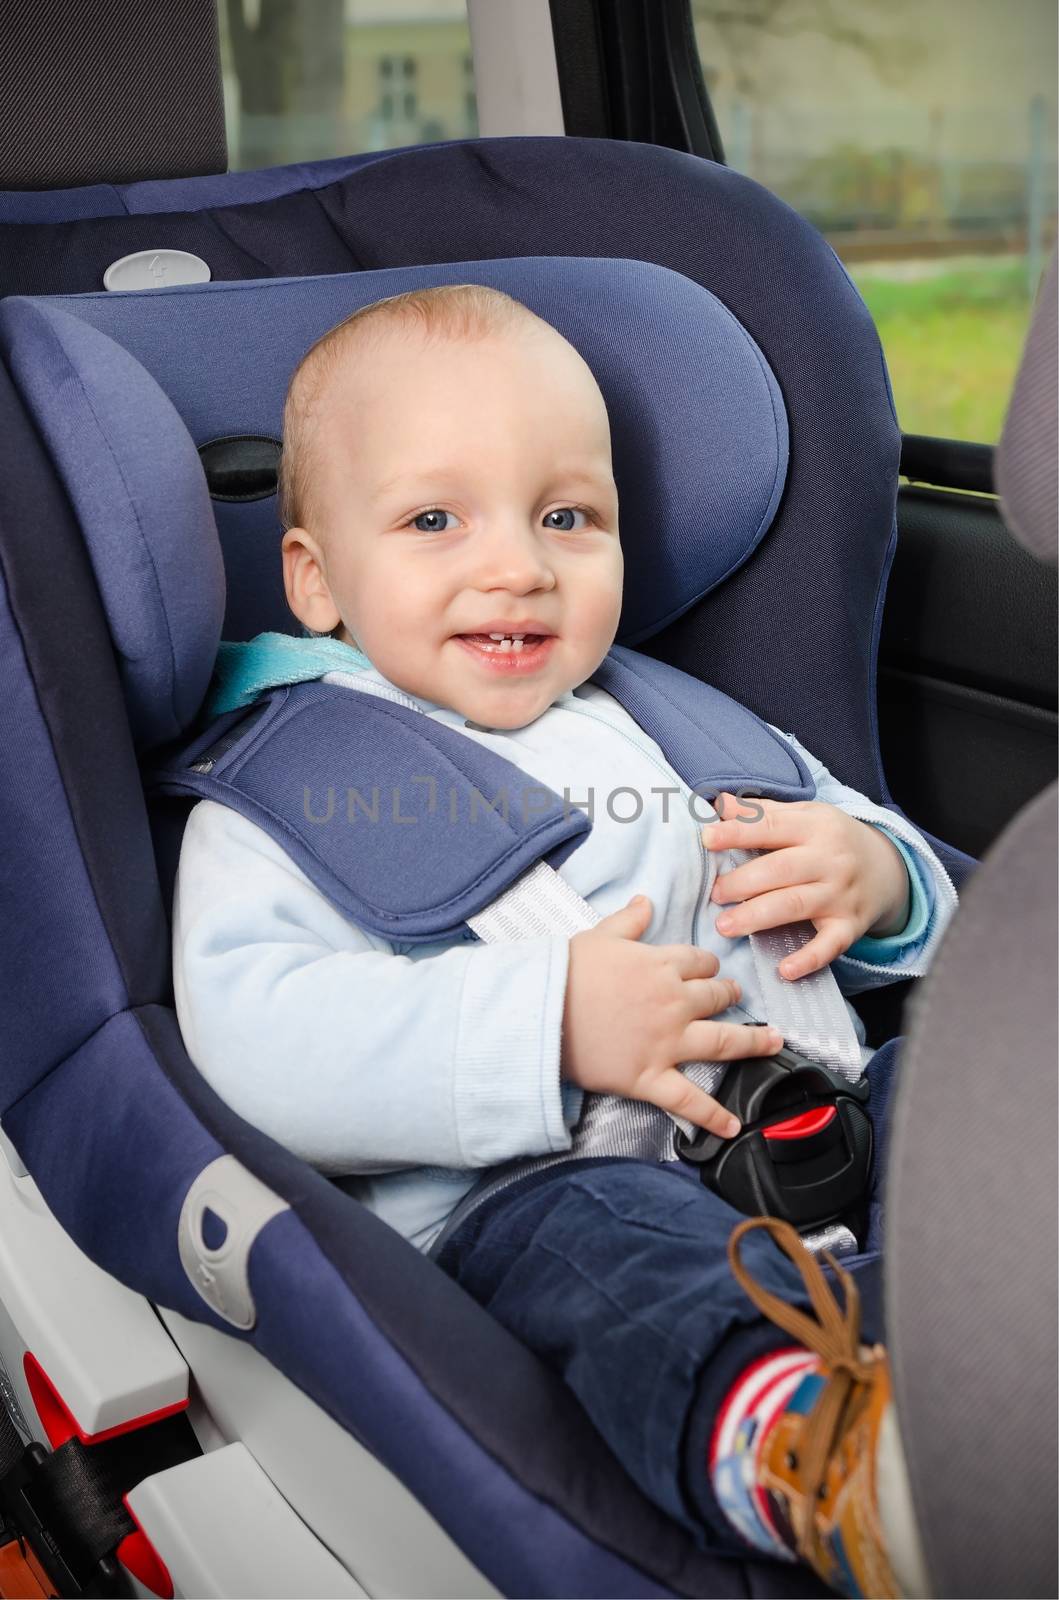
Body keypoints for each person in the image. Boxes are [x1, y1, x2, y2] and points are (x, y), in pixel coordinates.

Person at [172, 283, 957, 1597]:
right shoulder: (295, 788)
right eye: (434, 520)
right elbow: (256, 1034)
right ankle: (828, 1459)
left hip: (814, 1110)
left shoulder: (673, 718)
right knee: (615, 1257)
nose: (518, 567)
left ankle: (998, 1333)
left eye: (566, 517)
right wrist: (545, 1024)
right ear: (314, 576)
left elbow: (867, 845)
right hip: (535, 1187)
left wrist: (876, 876)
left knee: (978, 1076)